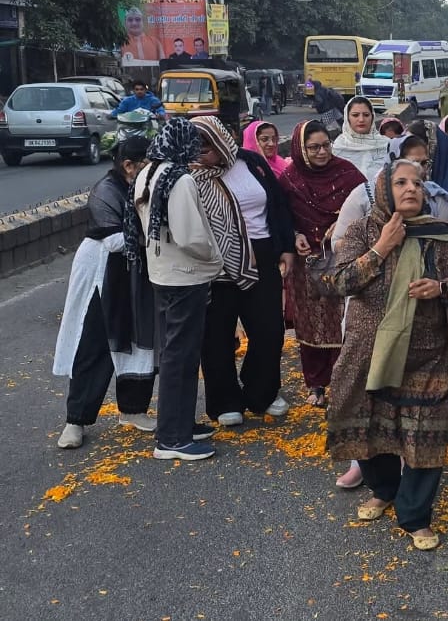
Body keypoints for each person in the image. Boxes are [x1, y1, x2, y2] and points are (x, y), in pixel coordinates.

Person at [322, 160, 448, 550]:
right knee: (371, 425)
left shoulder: (438, 234)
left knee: (424, 432)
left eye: (418, 183)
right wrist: (381, 249)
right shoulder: (363, 230)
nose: (411, 188)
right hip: (367, 350)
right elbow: (339, 282)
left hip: (427, 354)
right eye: (401, 182)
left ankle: (415, 515)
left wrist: (441, 287)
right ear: (382, 189)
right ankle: (384, 489)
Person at [190, 116, 294, 428]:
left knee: (269, 329)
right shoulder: (190, 175)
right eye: (197, 146)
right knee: (216, 335)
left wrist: (286, 246)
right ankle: (224, 401)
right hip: (215, 260)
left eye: (208, 145)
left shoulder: (250, 162)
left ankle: (261, 392)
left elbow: (277, 205)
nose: (203, 153)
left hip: (261, 254)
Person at [54, 137, 157, 449]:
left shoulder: (146, 187)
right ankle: (76, 419)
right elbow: (117, 238)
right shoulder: (106, 191)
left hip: (140, 272)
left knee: (142, 340)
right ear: (129, 165)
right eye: (147, 166)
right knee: (94, 342)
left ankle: (134, 409)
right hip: (104, 272)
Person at [131, 120, 222, 461]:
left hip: (162, 272)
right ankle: (172, 438)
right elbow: (190, 236)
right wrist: (214, 258)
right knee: (179, 358)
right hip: (186, 276)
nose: (196, 150)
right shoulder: (180, 179)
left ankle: (178, 423)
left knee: (176, 354)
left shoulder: (148, 173)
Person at [279, 120, 368, 408]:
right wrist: (295, 236)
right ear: (300, 149)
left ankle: (343, 385)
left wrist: (341, 227)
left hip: (342, 257)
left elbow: (366, 208)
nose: (321, 152)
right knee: (312, 324)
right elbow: (280, 218)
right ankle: (315, 384)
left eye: (325, 145)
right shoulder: (290, 179)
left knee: (343, 322)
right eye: (313, 147)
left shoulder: (347, 173)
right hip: (308, 263)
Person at [332, 97, 390, 180]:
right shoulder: (338, 147)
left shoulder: (387, 145)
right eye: (355, 115)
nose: (361, 119)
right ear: (347, 118)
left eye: (366, 115)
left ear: (372, 117)